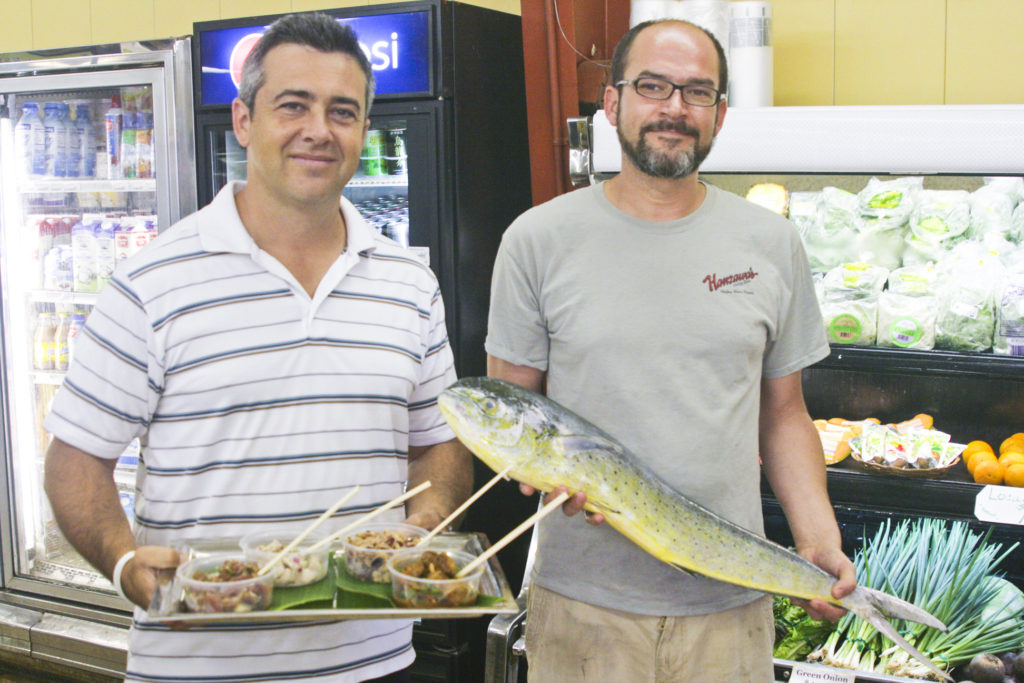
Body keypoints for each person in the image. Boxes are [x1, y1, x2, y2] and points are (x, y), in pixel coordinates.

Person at [43, 13, 472, 683]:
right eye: (292, 106)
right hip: (199, 663)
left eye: (343, 111)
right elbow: (75, 459)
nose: (318, 131)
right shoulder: (152, 281)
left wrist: (427, 519)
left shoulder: (410, 284)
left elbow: (438, 443)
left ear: (364, 129)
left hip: (377, 662)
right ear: (243, 120)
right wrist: (125, 562)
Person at [485, 19, 857, 683]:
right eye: (653, 86)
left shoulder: (771, 244)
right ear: (612, 103)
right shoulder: (536, 240)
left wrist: (817, 540)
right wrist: (541, 475)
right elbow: (513, 417)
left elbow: (785, 413)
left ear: (720, 115)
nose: (674, 109)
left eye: (697, 92)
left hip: (731, 604)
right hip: (582, 606)